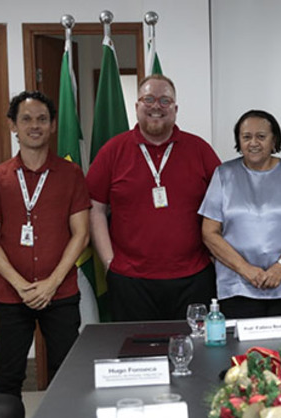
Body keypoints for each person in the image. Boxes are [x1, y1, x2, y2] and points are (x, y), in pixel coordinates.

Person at [0, 91, 90, 398]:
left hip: (61, 292)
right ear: (13, 125)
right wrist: (21, 285)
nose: (34, 126)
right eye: (25, 119)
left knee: (66, 374)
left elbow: (81, 234)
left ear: (53, 125)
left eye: (42, 119)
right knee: (9, 378)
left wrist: (51, 284)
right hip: (10, 295)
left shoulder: (71, 174)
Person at [86, 74, 221, 322]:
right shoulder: (112, 151)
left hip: (194, 278)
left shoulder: (199, 149)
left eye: (164, 100)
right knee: (137, 355)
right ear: (137, 106)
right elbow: (95, 208)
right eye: (148, 99)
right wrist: (109, 263)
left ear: (175, 109)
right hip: (130, 280)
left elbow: (223, 206)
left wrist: (215, 257)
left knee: (197, 354)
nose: (156, 106)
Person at [198, 110, 281, 318]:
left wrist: (280, 268)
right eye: (246, 137)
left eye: (261, 136)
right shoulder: (223, 175)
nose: (253, 143)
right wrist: (245, 269)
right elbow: (209, 232)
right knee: (239, 349)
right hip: (237, 286)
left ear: (274, 141)